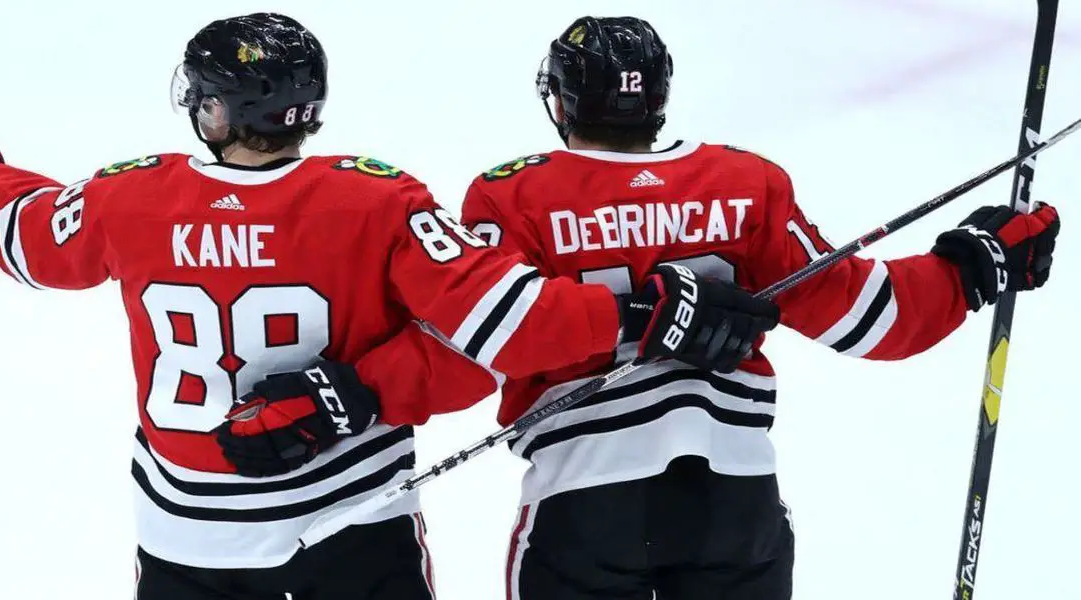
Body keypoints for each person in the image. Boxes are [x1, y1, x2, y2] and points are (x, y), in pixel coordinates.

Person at [0, 12, 783, 600]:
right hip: (356, 526)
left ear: (213, 108)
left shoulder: (133, 197)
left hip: (190, 541)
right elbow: (502, 329)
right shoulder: (380, 201)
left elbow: (29, 236)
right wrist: (643, 317)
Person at [454, 16, 1062, 600]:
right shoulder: (741, 182)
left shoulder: (511, 195)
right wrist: (971, 267)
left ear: (562, 101)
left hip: (584, 499)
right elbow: (868, 315)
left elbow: (482, 336)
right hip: (735, 501)